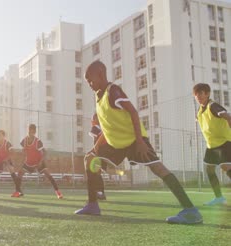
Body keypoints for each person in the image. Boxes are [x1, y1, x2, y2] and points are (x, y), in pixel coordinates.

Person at [76, 60, 202, 225]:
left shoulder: (113, 91)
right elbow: (109, 126)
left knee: (158, 168)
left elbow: (134, 113)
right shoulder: (98, 97)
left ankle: (191, 211)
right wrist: (96, 147)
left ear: (101, 75)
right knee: (89, 158)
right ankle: (92, 204)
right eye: (87, 82)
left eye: (91, 80)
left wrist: (140, 142)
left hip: (135, 140)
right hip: (116, 144)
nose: (90, 84)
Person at [193, 83, 231, 206]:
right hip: (211, 145)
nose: (198, 96)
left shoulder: (213, 106)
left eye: (200, 93)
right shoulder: (200, 110)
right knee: (209, 169)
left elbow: (226, 115)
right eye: (196, 94)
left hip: (224, 142)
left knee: (225, 167)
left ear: (207, 94)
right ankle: (219, 198)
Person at [14, 124, 63, 199]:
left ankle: (58, 192)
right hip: (29, 162)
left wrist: (40, 162)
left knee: (48, 175)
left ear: (35, 132)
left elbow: (45, 152)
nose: (32, 133)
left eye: (33, 131)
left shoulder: (38, 141)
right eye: (30, 131)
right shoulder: (24, 140)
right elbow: (24, 151)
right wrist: (23, 156)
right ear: (28, 130)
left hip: (38, 161)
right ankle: (18, 192)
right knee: (19, 173)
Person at [88, 113, 106, 200]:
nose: (92, 121)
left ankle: (99, 192)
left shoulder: (94, 128)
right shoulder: (104, 129)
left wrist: (93, 151)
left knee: (95, 173)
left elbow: (96, 142)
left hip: (98, 153)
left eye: (93, 119)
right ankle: (101, 193)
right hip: (105, 153)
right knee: (98, 173)